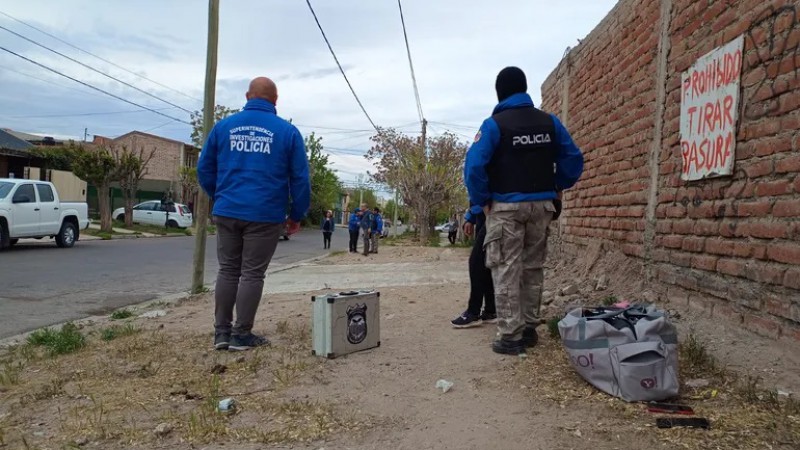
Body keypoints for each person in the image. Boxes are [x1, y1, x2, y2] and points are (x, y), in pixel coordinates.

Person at [464, 67, 584, 355]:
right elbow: (573, 158)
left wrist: (483, 200)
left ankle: (510, 336)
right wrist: (558, 185)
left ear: (499, 93)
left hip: (506, 207)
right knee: (532, 268)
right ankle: (529, 329)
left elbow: (473, 167)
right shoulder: (550, 123)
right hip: (541, 206)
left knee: (506, 269)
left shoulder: (494, 125)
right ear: (524, 89)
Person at [197, 76, 311, 352]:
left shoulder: (223, 127)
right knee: (251, 274)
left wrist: (220, 196)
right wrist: (296, 214)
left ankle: (221, 333)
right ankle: (241, 334)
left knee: (228, 270)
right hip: (265, 213)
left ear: (248, 97)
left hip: (227, 210)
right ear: (275, 100)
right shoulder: (287, 132)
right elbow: (300, 179)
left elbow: (204, 169)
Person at [450, 205, 496, 328]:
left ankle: (474, 312)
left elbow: (481, 188)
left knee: (476, 263)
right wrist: (471, 217)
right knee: (485, 263)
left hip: (493, 211)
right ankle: (491, 311)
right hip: (484, 213)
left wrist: (471, 215)